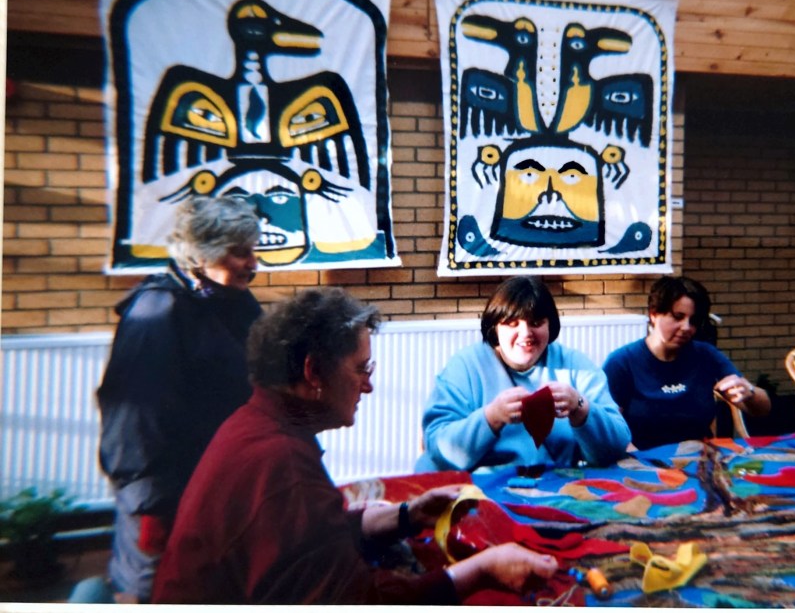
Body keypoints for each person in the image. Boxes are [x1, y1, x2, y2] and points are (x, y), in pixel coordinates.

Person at [152, 288, 558, 604]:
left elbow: (302, 538)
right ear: (313, 372)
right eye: (361, 369)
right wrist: (480, 570)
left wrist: (403, 516)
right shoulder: (281, 462)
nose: (369, 384)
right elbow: (361, 601)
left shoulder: (258, 424)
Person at [95, 196, 262, 603]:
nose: (253, 263)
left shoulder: (233, 301)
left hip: (215, 485)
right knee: (155, 593)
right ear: (201, 253)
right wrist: (149, 507)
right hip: (163, 495)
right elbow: (133, 425)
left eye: (253, 250)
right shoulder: (156, 312)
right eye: (239, 252)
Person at [416, 276, 631, 473]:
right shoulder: (465, 367)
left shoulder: (575, 366)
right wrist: (491, 417)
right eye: (512, 324)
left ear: (551, 326)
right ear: (495, 328)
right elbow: (438, 450)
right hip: (479, 493)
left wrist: (580, 407)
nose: (526, 333)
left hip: (557, 488)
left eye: (536, 323)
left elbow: (617, 447)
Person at [603, 275, 771, 450]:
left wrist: (749, 392)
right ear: (654, 314)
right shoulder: (622, 362)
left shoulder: (706, 355)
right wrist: (643, 462)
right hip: (643, 462)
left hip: (698, 460)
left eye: (693, 321)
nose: (686, 327)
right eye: (678, 317)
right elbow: (609, 432)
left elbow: (763, 410)